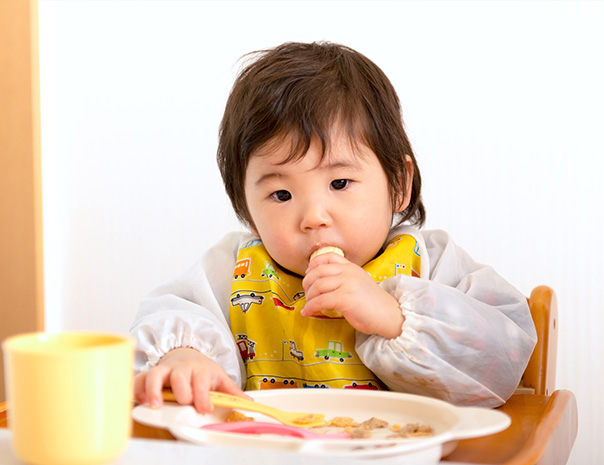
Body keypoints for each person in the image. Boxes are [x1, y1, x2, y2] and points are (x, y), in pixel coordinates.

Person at [131, 41, 537, 414]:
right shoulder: (232, 272)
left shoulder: (431, 262)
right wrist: (185, 358)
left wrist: (394, 317)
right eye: (281, 195)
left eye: (339, 184)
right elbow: (172, 315)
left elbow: (502, 360)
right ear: (246, 208)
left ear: (399, 184)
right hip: (269, 450)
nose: (313, 217)